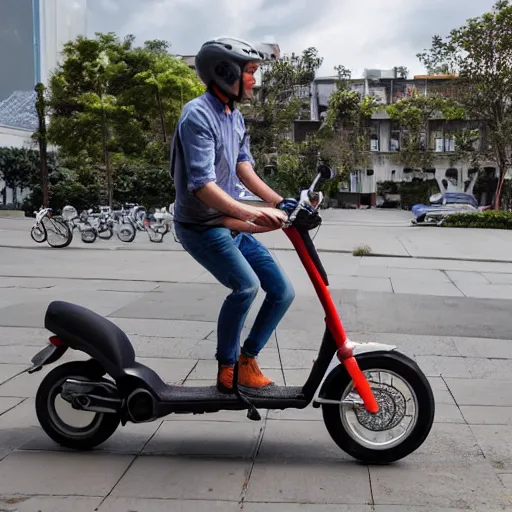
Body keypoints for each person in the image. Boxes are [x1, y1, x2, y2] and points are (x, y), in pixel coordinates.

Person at [170, 37, 295, 394]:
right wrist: (253, 216)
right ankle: (227, 370)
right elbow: (202, 186)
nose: (256, 80)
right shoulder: (197, 115)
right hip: (201, 225)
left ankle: (247, 361)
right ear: (225, 73)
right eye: (251, 72)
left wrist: (281, 202)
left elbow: (243, 169)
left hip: (229, 223)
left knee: (282, 292)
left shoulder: (234, 116)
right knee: (246, 287)